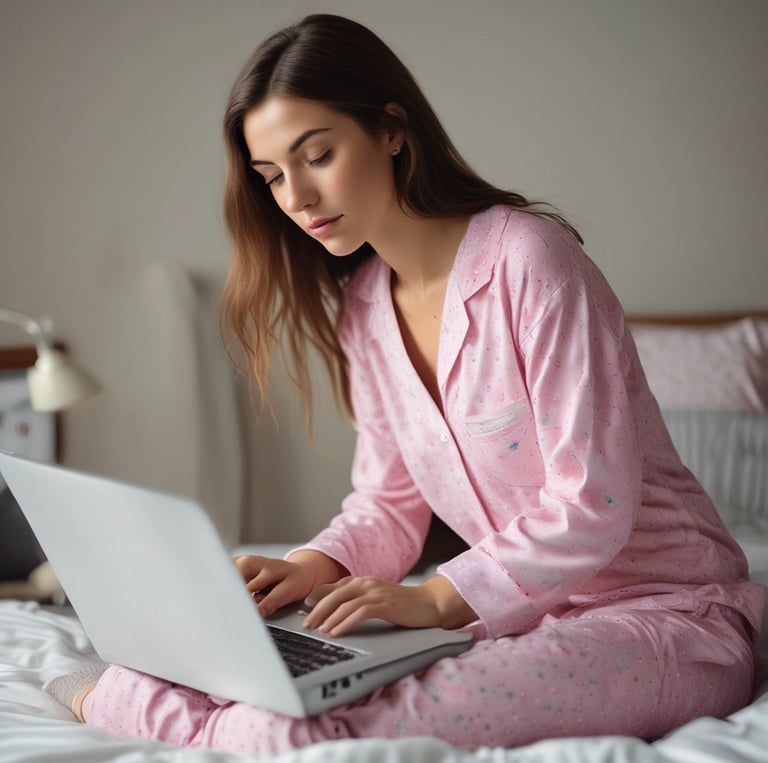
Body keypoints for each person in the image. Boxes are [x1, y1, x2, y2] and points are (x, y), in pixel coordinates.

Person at [46, 13, 763, 754]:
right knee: (261, 674)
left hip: (673, 618)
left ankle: (126, 707)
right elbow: (389, 503)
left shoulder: (530, 262)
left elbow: (593, 502)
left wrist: (435, 596)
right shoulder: (366, 304)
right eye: (272, 177)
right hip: (516, 614)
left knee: (316, 729)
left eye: (316, 155)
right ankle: (145, 696)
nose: (296, 197)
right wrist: (303, 568)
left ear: (391, 128)